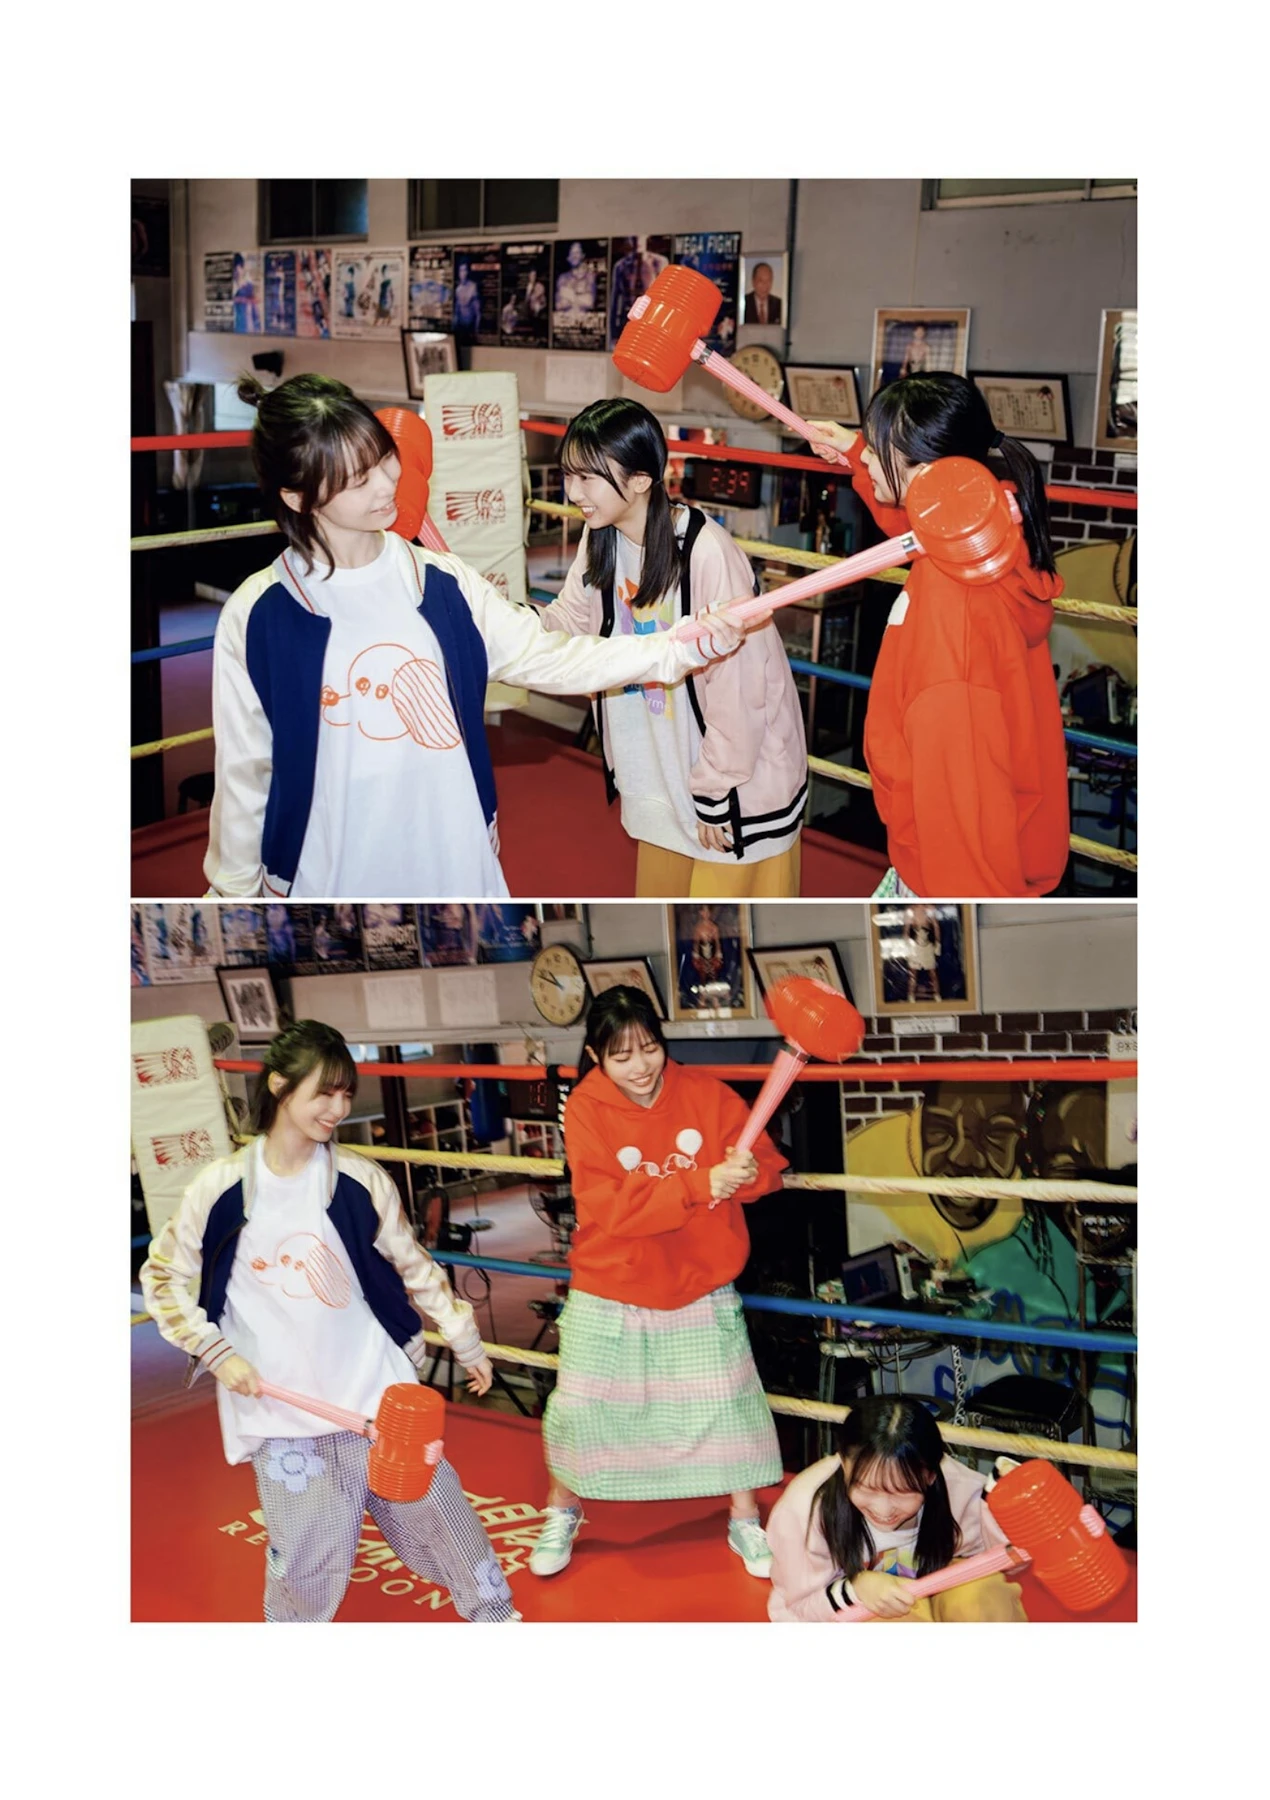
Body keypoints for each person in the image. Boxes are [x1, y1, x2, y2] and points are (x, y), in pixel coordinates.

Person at [204, 375, 743, 900]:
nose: (387, 484)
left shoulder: (441, 581)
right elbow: (244, 772)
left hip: (452, 850)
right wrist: (233, 892)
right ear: (298, 497)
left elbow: (551, 658)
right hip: (329, 870)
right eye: (358, 480)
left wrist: (678, 647)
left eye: (384, 459)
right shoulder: (258, 614)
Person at [139, 1020, 520, 1623]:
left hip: (377, 1393)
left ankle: (497, 1621)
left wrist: (465, 1341)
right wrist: (216, 1353)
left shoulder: (359, 1180)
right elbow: (160, 1279)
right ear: (279, 1086)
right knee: (305, 1564)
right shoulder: (220, 1188)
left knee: (447, 1524)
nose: (338, 1109)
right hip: (283, 1411)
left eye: (346, 1094)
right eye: (325, 1093)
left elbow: (414, 1265)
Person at [526, 986, 786, 1582]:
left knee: (727, 1402)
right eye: (621, 1056)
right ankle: (562, 1511)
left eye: (649, 1048)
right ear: (595, 1056)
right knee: (580, 1405)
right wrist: (699, 1182)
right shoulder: (585, 1107)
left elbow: (768, 1168)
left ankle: (745, 1518)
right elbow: (607, 1207)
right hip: (609, 1279)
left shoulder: (707, 1094)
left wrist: (746, 1174)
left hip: (700, 1278)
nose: (640, 1067)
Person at [810, 372, 1069, 896]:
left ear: (929, 474)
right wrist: (854, 451)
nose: (867, 459)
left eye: (876, 449)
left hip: (944, 871)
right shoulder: (982, 537)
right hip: (940, 852)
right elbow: (911, 520)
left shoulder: (956, 609)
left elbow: (962, 795)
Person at [537, 397, 808, 898]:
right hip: (657, 774)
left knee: (719, 916)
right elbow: (569, 620)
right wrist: (506, 623)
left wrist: (715, 791)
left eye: (587, 477)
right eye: (568, 475)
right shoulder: (601, 539)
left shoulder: (705, 551)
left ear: (641, 479)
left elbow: (739, 687)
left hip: (728, 787)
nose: (573, 492)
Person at [766, 1395, 1027, 1621]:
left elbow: (1009, 1563)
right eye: (866, 1488)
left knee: (982, 1597)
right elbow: (799, 1606)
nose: (883, 1510)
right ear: (844, 1464)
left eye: (902, 1492)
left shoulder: (958, 1486)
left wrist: (1004, 1506)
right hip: (842, 1608)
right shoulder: (804, 1508)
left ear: (930, 1476)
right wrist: (856, 1588)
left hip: (934, 1586)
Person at [743, 262, 782, 326]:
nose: (765, 285)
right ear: (753, 282)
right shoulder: (743, 303)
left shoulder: (779, 304)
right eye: (761, 281)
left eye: (768, 280)